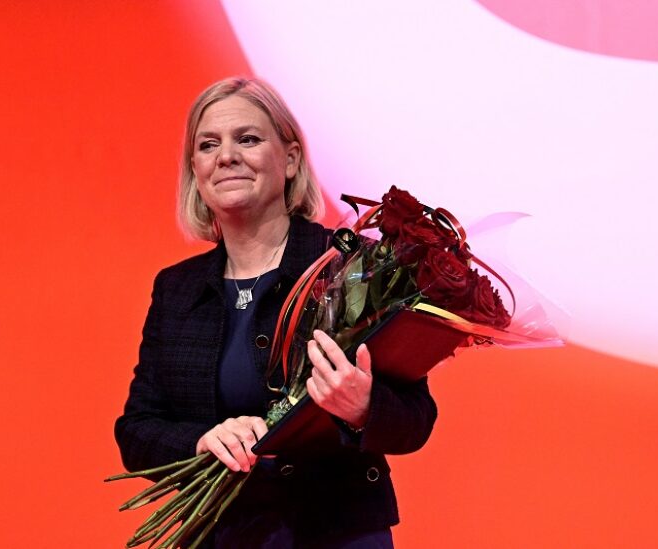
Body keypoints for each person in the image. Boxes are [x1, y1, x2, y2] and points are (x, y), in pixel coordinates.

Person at [114, 77, 437, 548]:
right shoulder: (176, 289)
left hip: (336, 533)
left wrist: (363, 408)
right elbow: (137, 432)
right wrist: (202, 441)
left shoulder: (352, 266)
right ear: (196, 169)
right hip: (221, 537)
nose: (226, 155)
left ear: (290, 159)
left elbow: (416, 419)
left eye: (247, 139)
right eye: (209, 145)